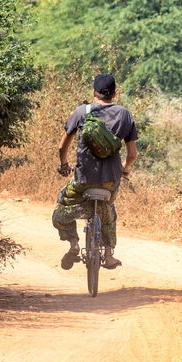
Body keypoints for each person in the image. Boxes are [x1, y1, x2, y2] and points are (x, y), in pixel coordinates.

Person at [52, 73, 139, 271]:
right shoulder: (124, 114)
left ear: (94, 92)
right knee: (109, 211)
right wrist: (124, 171)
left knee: (62, 205)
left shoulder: (82, 112)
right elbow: (132, 154)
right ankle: (108, 255)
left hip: (83, 179)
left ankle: (74, 244)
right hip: (110, 180)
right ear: (115, 93)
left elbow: (61, 147)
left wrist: (64, 165)